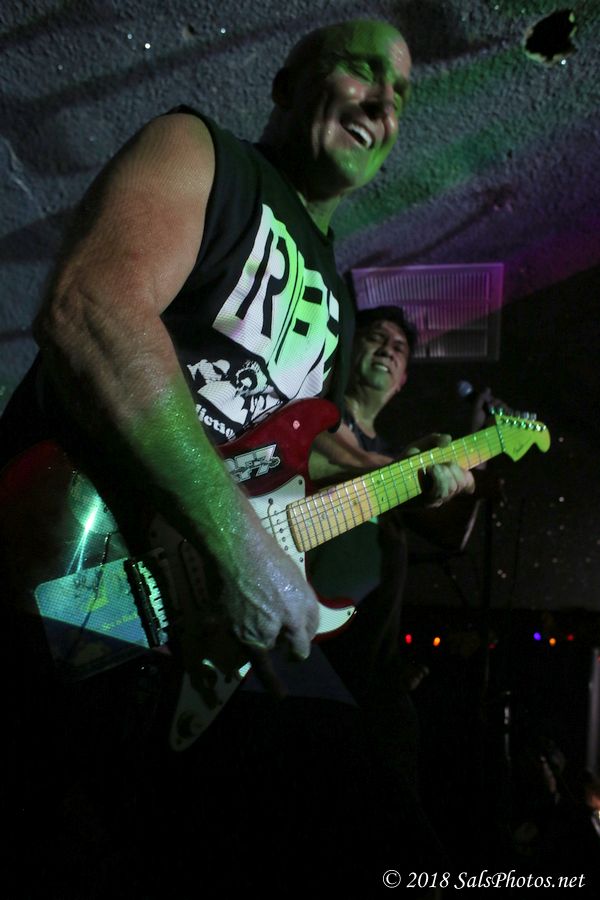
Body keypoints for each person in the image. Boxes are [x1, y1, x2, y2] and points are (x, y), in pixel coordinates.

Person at [0, 19, 474, 895]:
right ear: (288, 83)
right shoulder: (203, 153)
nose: (384, 101)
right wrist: (241, 545)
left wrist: (409, 476)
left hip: (190, 620)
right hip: (72, 553)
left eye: (402, 93)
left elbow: (296, 455)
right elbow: (90, 308)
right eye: (362, 71)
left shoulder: (338, 301)